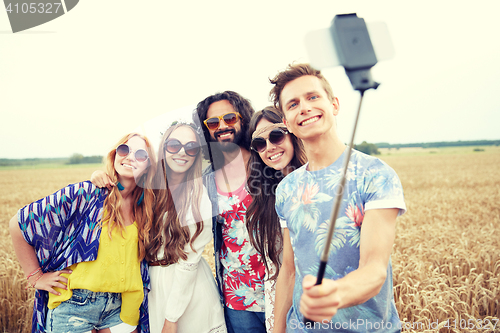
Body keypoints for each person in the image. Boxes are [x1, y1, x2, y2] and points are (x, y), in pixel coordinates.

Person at [270, 63, 406, 333]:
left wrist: (334, 294)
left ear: (334, 104)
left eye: (312, 97)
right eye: (293, 104)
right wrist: (277, 329)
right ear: (286, 122)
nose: (305, 108)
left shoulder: (375, 174)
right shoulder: (286, 188)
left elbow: (374, 268)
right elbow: (289, 270)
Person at [9, 132, 156, 333]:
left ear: (149, 165)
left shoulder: (146, 206)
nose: (130, 157)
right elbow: (18, 224)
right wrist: (36, 277)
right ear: (115, 156)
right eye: (124, 150)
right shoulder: (88, 193)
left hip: (120, 309)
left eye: (141, 154)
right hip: (73, 308)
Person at [91, 122, 227, 333]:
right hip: (151, 286)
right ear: (163, 148)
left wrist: (171, 319)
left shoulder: (198, 198)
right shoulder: (148, 185)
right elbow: (121, 186)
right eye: (174, 145)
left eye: (191, 147)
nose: (182, 152)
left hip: (188, 292)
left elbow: (187, 265)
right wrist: (99, 176)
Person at [194, 91, 267, 333]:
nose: (222, 126)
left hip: (282, 289)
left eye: (229, 118)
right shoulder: (207, 180)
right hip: (237, 299)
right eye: (213, 122)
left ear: (243, 119)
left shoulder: (267, 162)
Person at [245, 106, 307, 332]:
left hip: (319, 305)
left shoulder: (318, 182)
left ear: (291, 133)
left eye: (276, 135)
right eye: (260, 143)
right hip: (280, 304)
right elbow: (278, 270)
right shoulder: (266, 195)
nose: (269, 147)